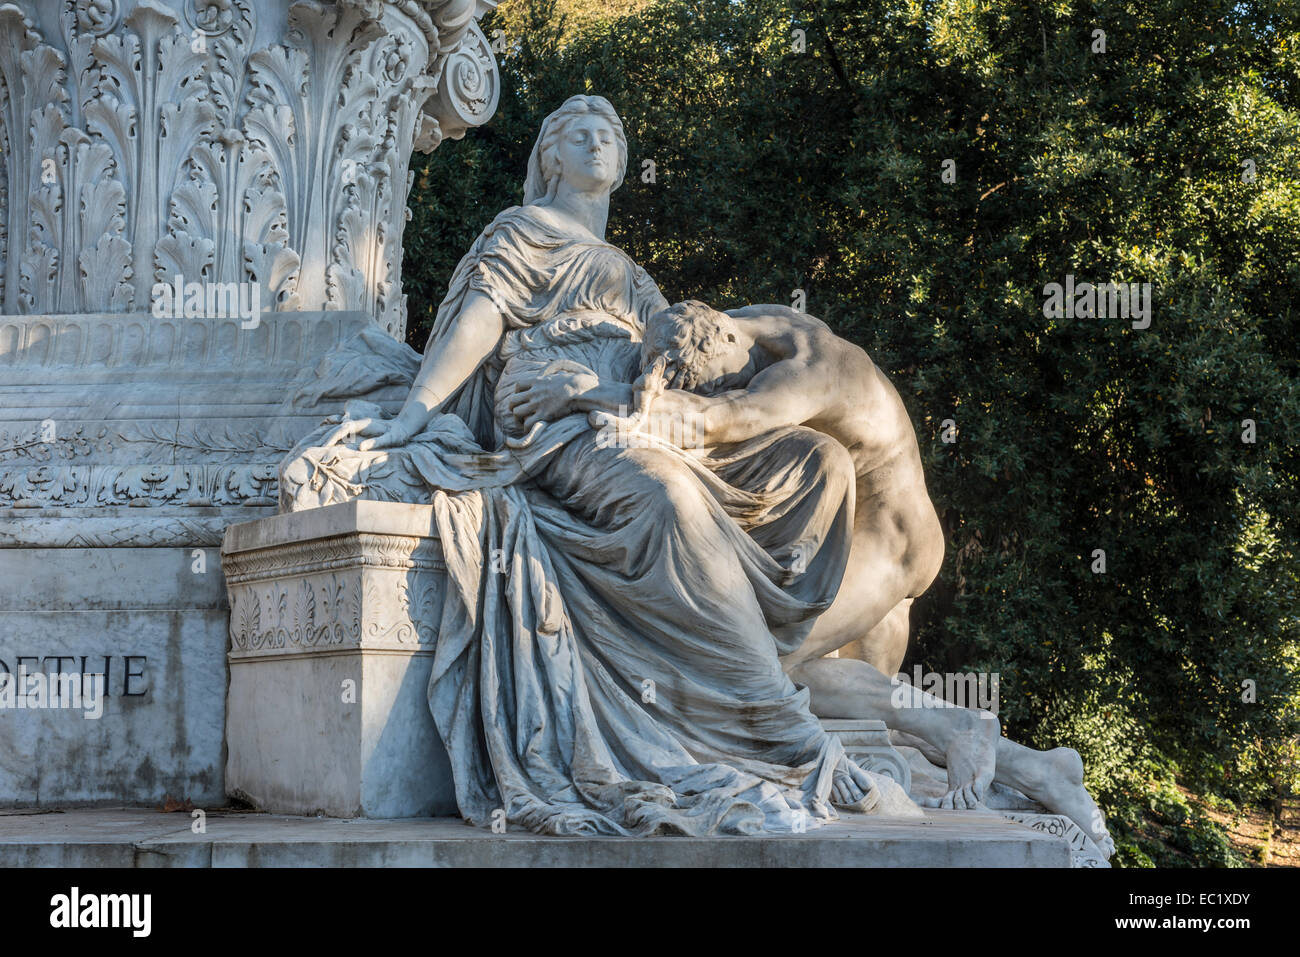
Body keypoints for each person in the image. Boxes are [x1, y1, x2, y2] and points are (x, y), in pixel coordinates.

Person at [307, 95, 891, 836]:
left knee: (819, 461)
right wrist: (415, 413)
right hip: (551, 410)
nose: (596, 141)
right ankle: (780, 726)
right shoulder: (523, 230)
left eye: (610, 133)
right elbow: (479, 323)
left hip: (622, 404)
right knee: (669, 499)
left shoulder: (632, 274)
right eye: (577, 132)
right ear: (549, 157)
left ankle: (730, 678)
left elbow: (679, 369)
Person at [516, 299, 1111, 856]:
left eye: (716, 374)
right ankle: (1037, 769)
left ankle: (961, 725)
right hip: (870, 534)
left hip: (887, 546)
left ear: (723, 336)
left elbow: (719, 420)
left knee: (754, 670)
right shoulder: (758, 326)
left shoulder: (806, 370)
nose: (720, 383)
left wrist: (584, 393)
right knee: (836, 704)